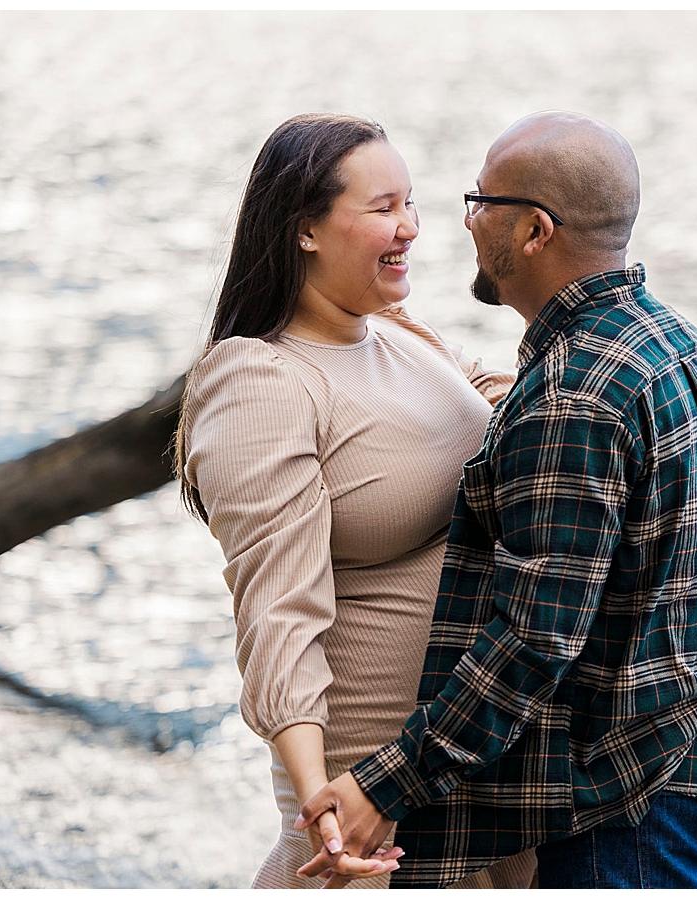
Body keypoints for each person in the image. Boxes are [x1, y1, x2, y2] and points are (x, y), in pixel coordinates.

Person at [292, 111, 697, 889]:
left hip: (628, 807)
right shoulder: (679, 346)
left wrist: (388, 781)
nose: (466, 222)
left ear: (536, 230)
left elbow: (535, 638)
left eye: (480, 201)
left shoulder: (575, 394)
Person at [174, 113, 535, 889]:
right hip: (370, 810)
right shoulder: (262, 380)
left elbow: (516, 404)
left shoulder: (400, 332)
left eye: (412, 205)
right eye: (382, 209)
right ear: (305, 228)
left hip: (477, 784)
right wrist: (318, 805)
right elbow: (278, 610)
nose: (408, 228)